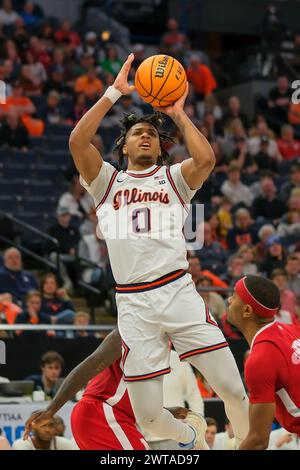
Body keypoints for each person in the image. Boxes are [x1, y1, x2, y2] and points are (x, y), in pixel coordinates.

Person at [68, 53, 249, 449]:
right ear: (125, 147)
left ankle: (248, 445)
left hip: (177, 292)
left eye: (152, 132)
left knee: (234, 391)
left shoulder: (173, 178)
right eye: (138, 134)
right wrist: (114, 92)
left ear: (160, 145)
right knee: (149, 418)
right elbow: (78, 141)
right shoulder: (106, 183)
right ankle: (193, 435)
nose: (146, 135)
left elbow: (206, 159)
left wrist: (179, 114)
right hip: (133, 305)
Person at [24, 329, 187, 450]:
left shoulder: (165, 344)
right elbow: (92, 364)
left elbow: (133, 395)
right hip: (101, 414)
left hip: (109, 416)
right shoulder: (130, 329)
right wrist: (51, 410)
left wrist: (164, 411)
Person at [227, 275, 300, 449]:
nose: (229, 299)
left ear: (247, 311)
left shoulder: (260, 359)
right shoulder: (292, 330)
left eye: (235, 295)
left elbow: (258, 441)